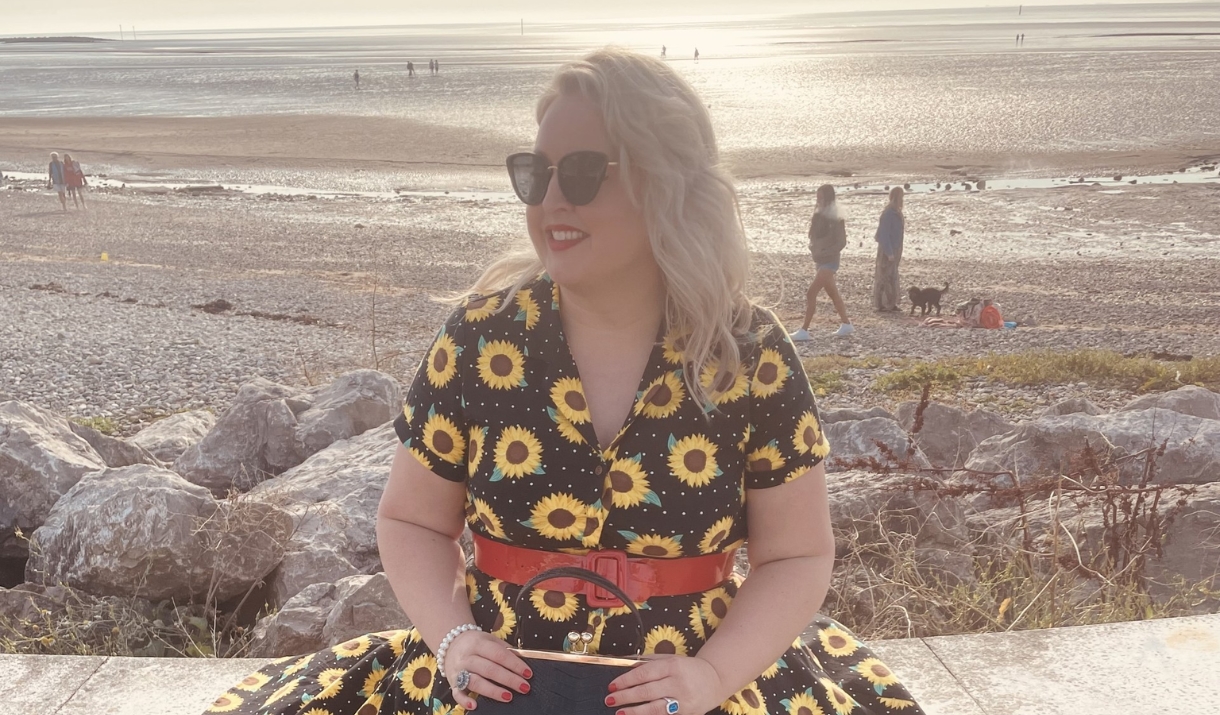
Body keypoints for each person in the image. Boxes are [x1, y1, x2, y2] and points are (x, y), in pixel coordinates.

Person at [203, 48, 923, 715]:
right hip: (492, 692)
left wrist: (712, 675)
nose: (551, 199)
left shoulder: (750, 352)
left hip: (698, 690)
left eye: (580, 172)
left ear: (663, 182)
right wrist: (454, 641)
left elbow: (797, 554)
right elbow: (411, 520)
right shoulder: (480, 337)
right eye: (535, 173)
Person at [791, 184, 853, 340]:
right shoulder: (818, 214)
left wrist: (825, 252)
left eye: (821, 197)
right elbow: (814, 237)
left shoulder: (836, 217)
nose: (818, 200)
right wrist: (813, 248)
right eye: (817, 197)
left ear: (828, 197)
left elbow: (841, 242)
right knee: (833, 293)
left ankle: (804, 330)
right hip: (819, 261)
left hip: (830, 262)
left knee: (811, 293)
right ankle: (846, 324)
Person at [872, 187, 904, 312]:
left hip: (895, 248)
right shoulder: (889, 213)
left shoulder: (896, 212)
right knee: (884, 276)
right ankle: (882, 304)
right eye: (900, 197)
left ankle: (891, 303)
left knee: (892, 276)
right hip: (888, 250)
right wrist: (889, 252)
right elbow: (883, 234)